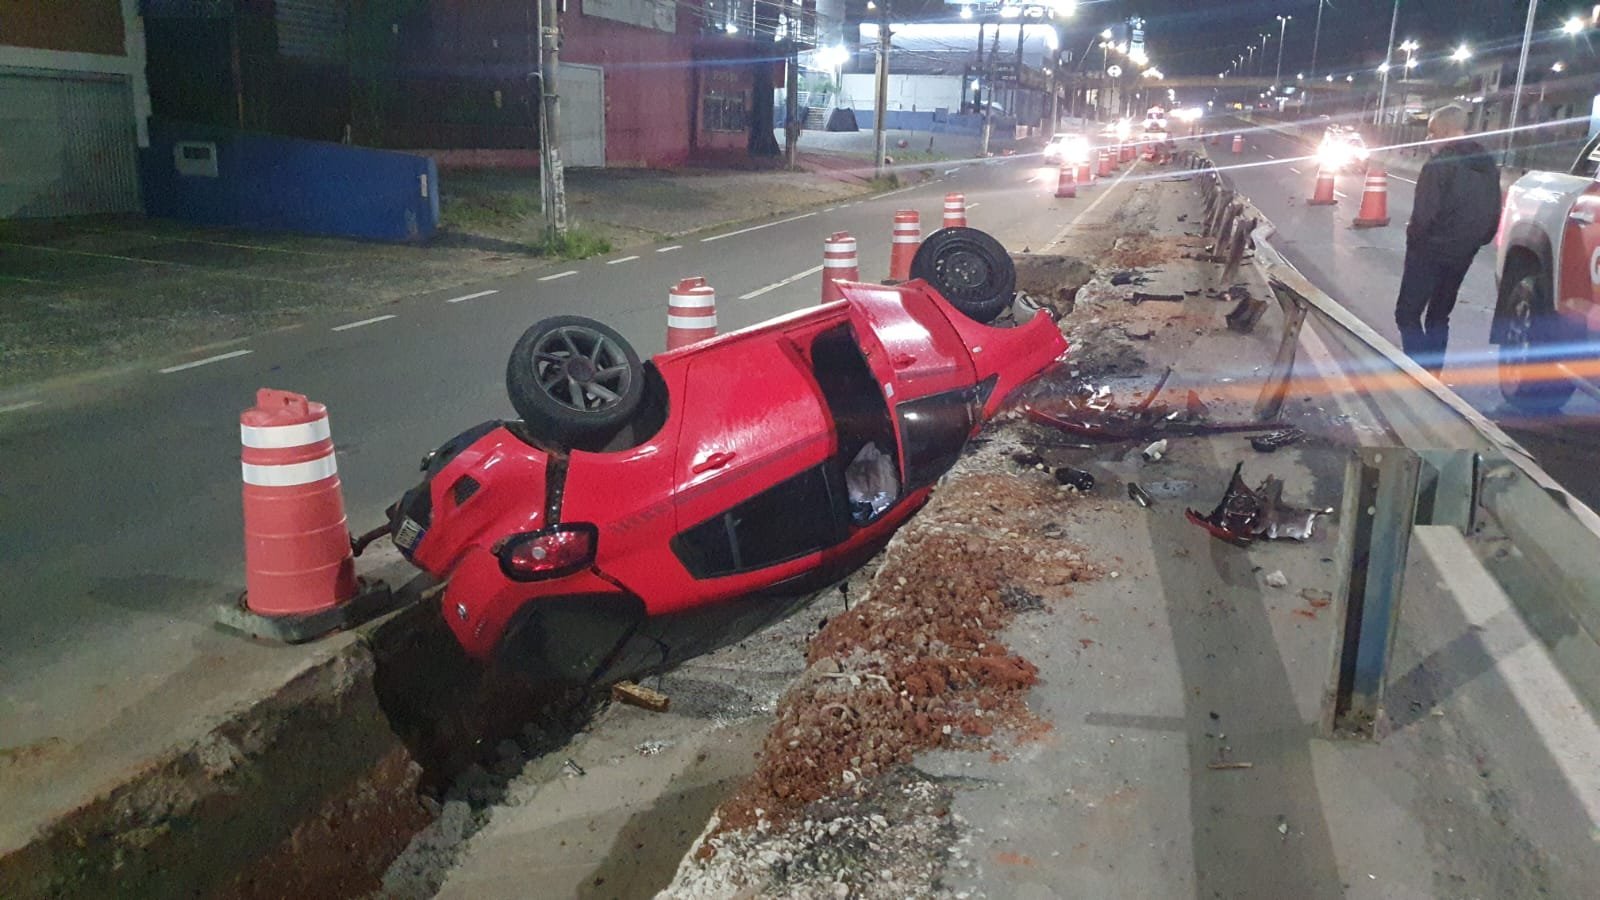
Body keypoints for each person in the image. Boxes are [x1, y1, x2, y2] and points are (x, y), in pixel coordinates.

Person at [1393, 104, 1502, 374]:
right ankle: (1433, 374)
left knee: (1406, 313)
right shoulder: (1487, 163)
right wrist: (1475, 243)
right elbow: (1493, 211)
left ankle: (1418, 373)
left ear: (1442, 132)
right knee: (1439, 316)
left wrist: (1414, 240)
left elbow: (1423, 216)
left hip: (1429, 252)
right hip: (1463, 254)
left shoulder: (1438, 165)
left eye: (1431, 133)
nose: (1429, 139)